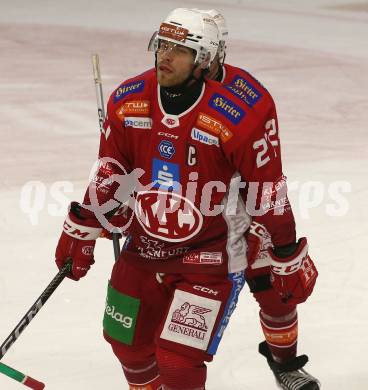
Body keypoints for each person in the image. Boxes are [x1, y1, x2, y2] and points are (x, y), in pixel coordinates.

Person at [54, 7, 318, 390]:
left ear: (206, 59)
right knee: (126, 344)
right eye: (162, 45)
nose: (164, 55)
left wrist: (286, 249)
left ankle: (286, 363)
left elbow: (267, 188)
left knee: (183, 358)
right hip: (147, 240)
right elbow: (112, 169)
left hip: (217, 244)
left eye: (178, 49)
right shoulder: (129, 100)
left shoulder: (241, 109)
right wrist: (82, 226)